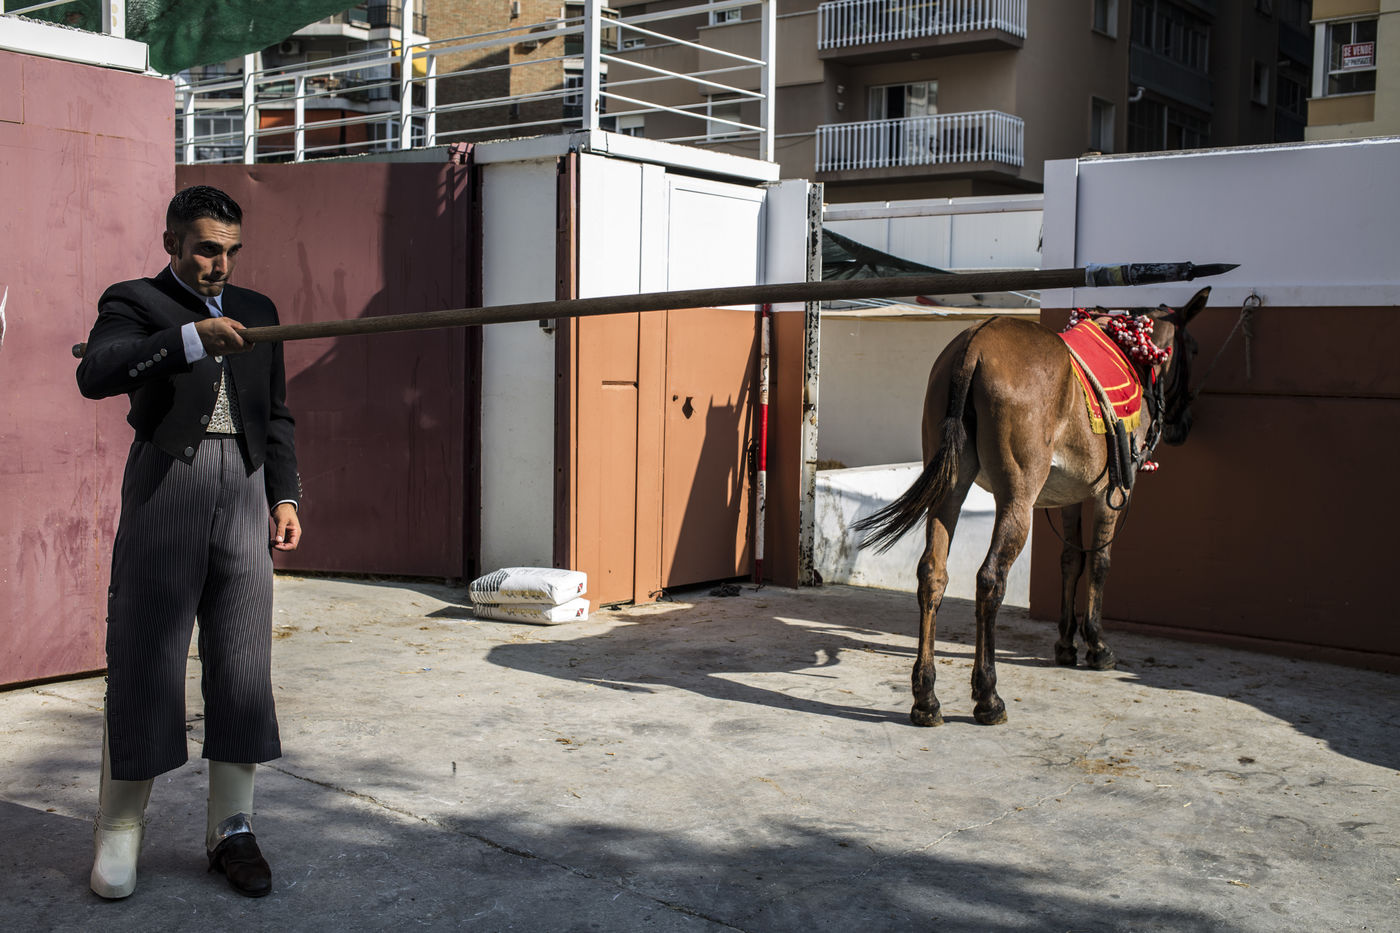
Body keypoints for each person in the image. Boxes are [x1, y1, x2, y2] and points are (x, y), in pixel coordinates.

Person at [75, 185, 302, 899]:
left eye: (231, 250)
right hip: (167, 482)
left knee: (242, 660)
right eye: (206, 249)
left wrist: (284, 495)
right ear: (172, 241)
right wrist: (190, 338)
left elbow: (277, 413)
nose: (220, 264)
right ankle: (119, 828)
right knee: (146, 654)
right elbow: (95, 373)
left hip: (245, 487)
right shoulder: (135, 300)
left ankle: (232, 828)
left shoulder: (259, 309)